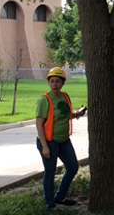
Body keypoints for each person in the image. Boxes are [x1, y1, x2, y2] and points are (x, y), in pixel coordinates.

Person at [36, 67, 87, 211]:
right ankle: (50, 204)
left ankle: (60, 196)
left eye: (58, 81)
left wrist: (77, 113)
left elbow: (64, 114)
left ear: (63, 83)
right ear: (48, 83)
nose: (54, 84)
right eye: (52, 81)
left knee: (72, 167)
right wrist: (44, 146)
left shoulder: (64, 96)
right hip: (49, 142)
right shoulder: (44, 100)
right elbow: (39, 124)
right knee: (50, 172)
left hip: (64, 140)